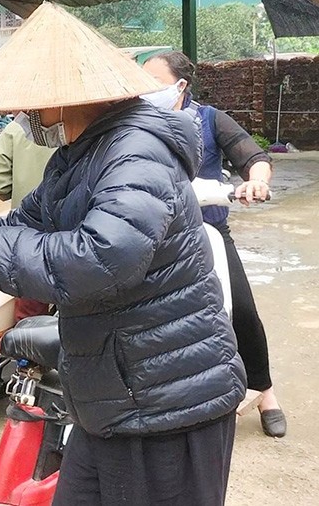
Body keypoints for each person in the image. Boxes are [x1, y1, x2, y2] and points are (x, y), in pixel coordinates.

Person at [0, 3, 246, 505]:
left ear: (63, 100)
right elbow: (27, 220)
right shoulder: (79, 156)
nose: (26, 117)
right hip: (113, 394)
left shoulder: (134, 153)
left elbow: (101, 259)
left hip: (166, 400)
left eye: (31, 106)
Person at [143, 50, 285, 438]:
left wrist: (257, 180)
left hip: (209, 230)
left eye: (154, 83)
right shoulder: (138, 122)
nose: (145, 91)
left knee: (240, 307)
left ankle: (266, 392)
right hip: (155, 235)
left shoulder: (209, 118)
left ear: (181, 84)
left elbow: (252, 156)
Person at [0, 120, 56, 321]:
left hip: (28, 235)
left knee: (30, 312)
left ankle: (29, 352)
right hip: (75, 234)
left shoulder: (15, 129)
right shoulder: (80, 124)